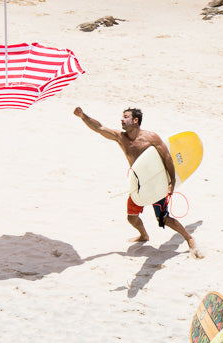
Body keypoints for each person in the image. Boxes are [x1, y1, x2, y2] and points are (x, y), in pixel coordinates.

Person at [72, 106, 200, 256]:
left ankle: (188, 238)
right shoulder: (121, 137)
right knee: (132, 218)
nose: (122, 119)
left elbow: (167, 158)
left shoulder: (151, 138)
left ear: (135, 120)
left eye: (126, 117)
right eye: (122, 116)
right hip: (138, 184)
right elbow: (100, 128)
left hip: (156, 182)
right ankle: (144, 235)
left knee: (163, 218)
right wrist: (83, 116)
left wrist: (171, 182)